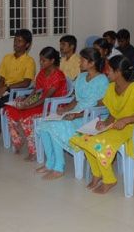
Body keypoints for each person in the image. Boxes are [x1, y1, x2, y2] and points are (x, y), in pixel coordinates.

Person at [70, 56, 134, 194]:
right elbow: (114, 112)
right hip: (115, 125)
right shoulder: (111, 87)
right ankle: (97, 173)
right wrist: (105, 123)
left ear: (118, 72)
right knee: (82, 138)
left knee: (99, 143)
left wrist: (126, 120)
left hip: (133, 128)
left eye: (109, 70)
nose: (106, 72)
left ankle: (109, 179)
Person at [35, 48, 109, 180]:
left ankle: (59, 167)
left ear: (91, 63)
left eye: (82, 60)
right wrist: (66, 109)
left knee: (55, 127)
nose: (79, 62)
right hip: (76, 112)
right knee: (45, 123)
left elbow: (101, 105)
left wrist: (78, 115)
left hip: (91, 118)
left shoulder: (102, 80)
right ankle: (50, 163)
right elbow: (76, 99)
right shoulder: (81, 77)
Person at [4, 47, 68, 161]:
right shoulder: (42, 73)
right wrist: (25, 101)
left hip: (53, 106)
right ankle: (17, 140)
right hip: (39, 103)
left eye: (44, 60)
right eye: (40, 60)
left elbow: (45, 97)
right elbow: (36, 92)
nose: (41, 63)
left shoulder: (58, 76)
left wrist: (26, 106)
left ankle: (34, 151)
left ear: (52, 61)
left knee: (26, 118)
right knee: (10, 110)